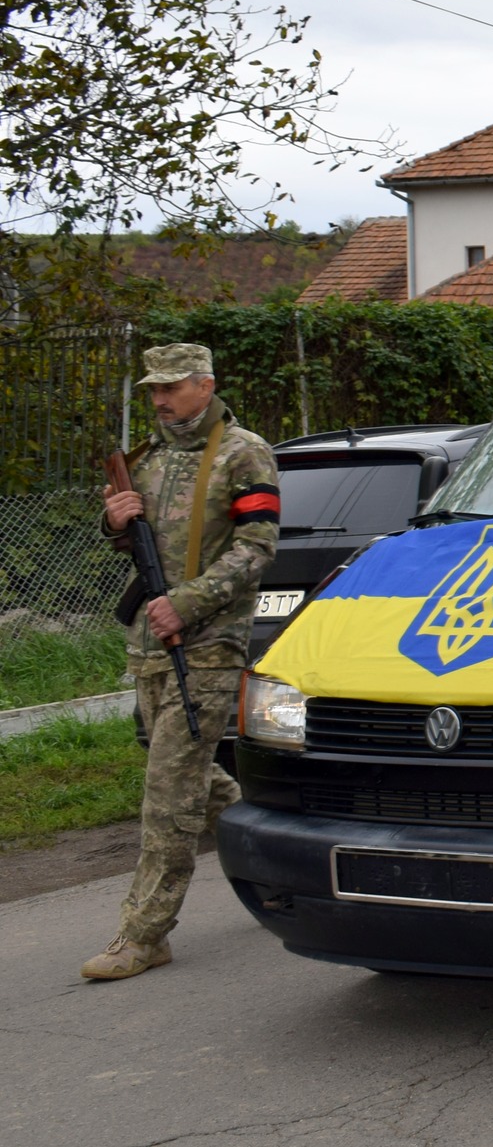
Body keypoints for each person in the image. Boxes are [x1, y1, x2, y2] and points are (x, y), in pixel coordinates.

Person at [85, 344, 279, 981]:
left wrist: (188, 603)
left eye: (172, 388)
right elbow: (131, 543)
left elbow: (257, 548)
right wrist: (114, 522)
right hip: (148, 646)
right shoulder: (148, 459)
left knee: (167, 797)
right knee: (197, 780)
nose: (161, 400)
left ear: (206, 385)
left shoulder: (243, 452)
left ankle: (143, 934)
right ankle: (279, 863)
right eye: (153, 390)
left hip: (210, 646)